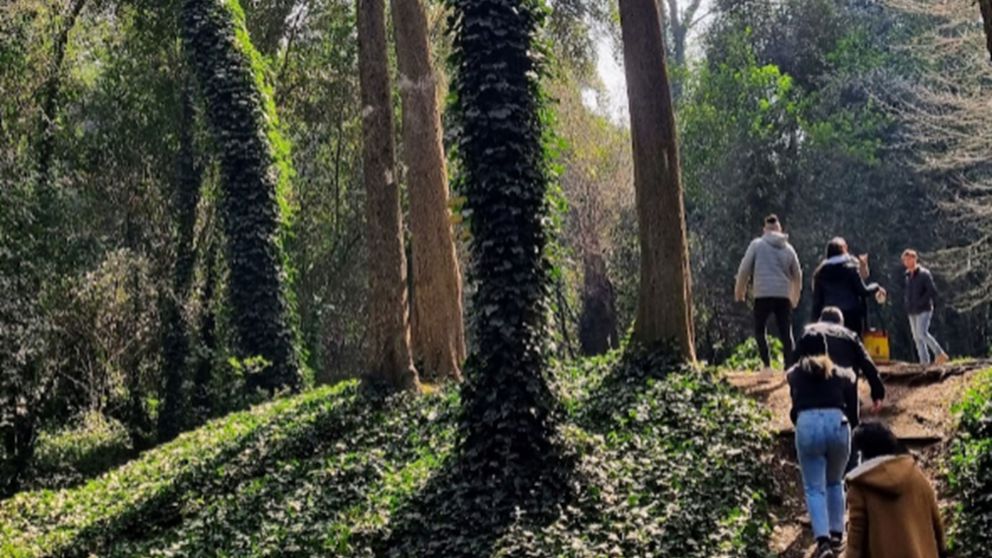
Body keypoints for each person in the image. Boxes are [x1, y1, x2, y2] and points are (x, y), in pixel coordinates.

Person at [787, 354, 857, 558]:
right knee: (835, 482)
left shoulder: (796, 374)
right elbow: (851, 377)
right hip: (838, 422)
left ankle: (823, 542)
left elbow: (789, 377)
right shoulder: (837, 372)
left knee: (814, 488)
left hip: (807, 423)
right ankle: (837, 534)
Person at [845, 422, 947, 558]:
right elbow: (936, 522)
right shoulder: (915, 474)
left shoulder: (860, 486)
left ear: (862, 452)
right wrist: (942, 550)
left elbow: (855, 541)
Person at [796, 307, 885, 433]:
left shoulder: (808, 331)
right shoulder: (849, 335)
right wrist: (877, 394)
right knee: (852, 428)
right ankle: (853, 446)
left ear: (820, 319)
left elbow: (794, 362)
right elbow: (867, 363)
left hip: (812, 390)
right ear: (841, 322)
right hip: (845, 388)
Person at [735, 214, 803, 371]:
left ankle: (766, 366)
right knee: (786, 332)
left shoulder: (757, 244)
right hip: (783, 295)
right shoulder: (789, 248)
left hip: (762, 293)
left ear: (764, 229)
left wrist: (740, 291)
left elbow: (744, 269)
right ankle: (789, 367)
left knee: (760, 330)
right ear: (780, 229)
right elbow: (797, 275)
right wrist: (794, 297)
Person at [812, 237, 885, 336]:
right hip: (851, 313)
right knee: (853, 344)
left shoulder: (820, 272)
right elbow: (862, 291)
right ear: (843, 249)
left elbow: (817, 300)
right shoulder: (850, 268)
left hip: (829, 315)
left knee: (832, 345)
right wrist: (875, 286)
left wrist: (814, 321)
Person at [902, 249, 949, 366]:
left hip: (924, 309)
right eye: (905, 260)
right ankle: (924, 363)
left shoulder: (924, 274)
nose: (906, 262)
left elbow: (932, 291)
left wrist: (920, 302)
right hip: (911, 310)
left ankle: (939, 354)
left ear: (914, 259)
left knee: (922, 333)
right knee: (917, 338)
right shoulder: (908, 276)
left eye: (908, 259)